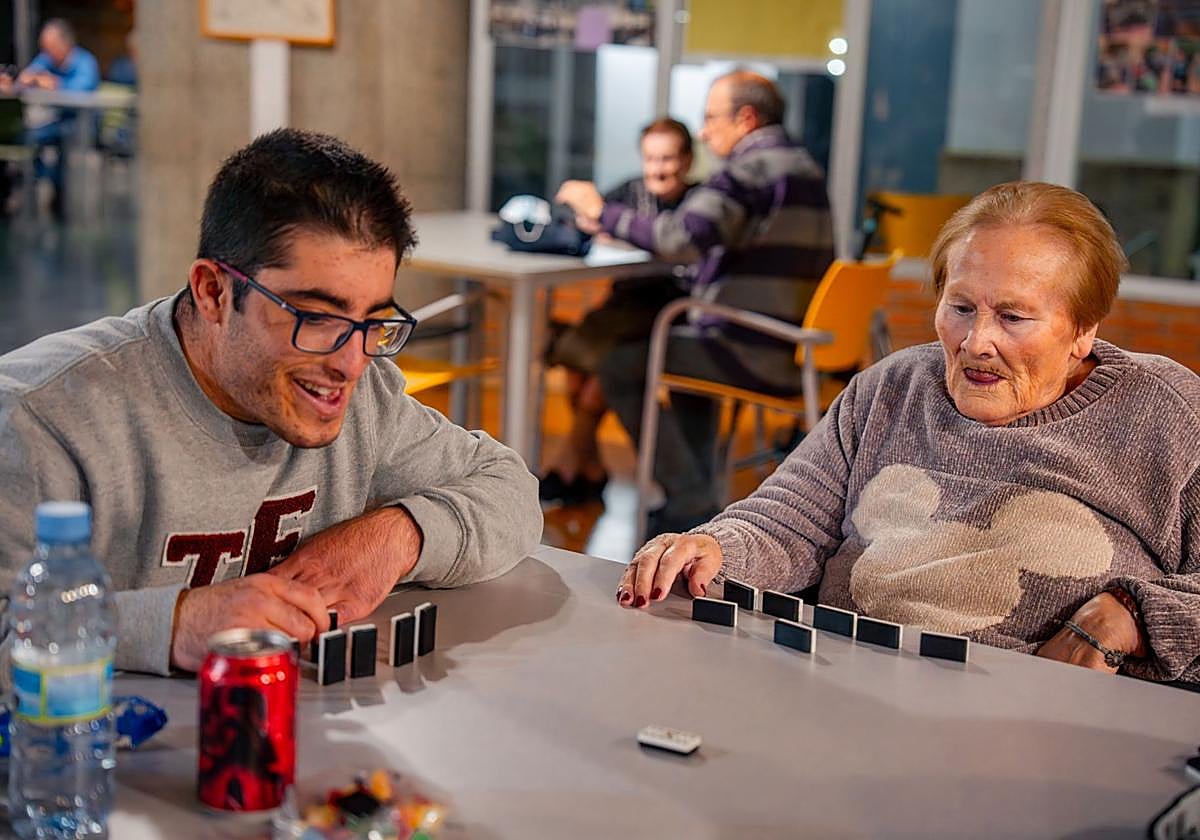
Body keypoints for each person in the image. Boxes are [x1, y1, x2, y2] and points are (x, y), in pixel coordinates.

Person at [0, 128, 543, 677]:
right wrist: (173, 624)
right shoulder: (38, 417)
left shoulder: (365, 400)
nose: (351, 363)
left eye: (372, 323)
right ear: (213, 291)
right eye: (315, 317)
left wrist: (401, 533)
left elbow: (512, 490)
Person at [615, 180, 1200, 684]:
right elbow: (786, 520)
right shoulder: (894, 386)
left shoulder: (1165, 412)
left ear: (1082, 330)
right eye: (961, 307)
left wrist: (1129, 616)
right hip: (834, 688)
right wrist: (714, 547)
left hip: (1041, 729)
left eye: (1013, 317)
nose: (975, 343)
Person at [556, 70, 835, 532]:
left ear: (745, 119)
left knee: (621, 366)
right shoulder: (804, 166)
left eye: (711, 118)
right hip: (798, 349)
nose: (704, 131)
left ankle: (690, 499)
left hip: (753, 346)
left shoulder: (751, 169)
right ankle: (699, 503)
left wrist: (599, 209)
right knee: (685, 357)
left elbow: (681, 237)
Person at [539, 117, 695, 505]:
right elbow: (588, 217)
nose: (657, 168)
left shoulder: (698, 204)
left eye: (668, 159)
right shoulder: (632, 190)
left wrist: (614, 224)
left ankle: (566, 466)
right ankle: (589, 468)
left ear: (688, 161)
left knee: (594, 380)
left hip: (666, 308)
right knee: (577, 374)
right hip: (623, 302)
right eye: (651, 158)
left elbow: (672, 241)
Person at [0, 18, 100, 217]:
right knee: (29, 137)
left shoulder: (84, 62)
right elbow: (26, 78)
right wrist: (20, 81)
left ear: (64, 45)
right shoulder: (46, 60)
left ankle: (59, 194)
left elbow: (83, 91)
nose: (46, 52)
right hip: (53, 123)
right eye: (44, 47)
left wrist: (55, 84)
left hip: (82, 125)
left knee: (61, 139)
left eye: (50, 47)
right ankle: (37, 181)